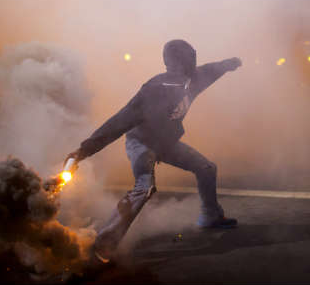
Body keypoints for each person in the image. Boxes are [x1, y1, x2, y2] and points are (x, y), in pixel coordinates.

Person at [65, 39, 242, 262]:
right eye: (184, 60)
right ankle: (104, 242)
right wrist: (83, 151)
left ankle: (211, 216)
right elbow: (118, 122)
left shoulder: (194, 78)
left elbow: (212, 70)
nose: (188, 64)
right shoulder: (154, 89)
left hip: (166, 143)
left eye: (190, 58)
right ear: (171, 63)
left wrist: (230, 63)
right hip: (142, 144)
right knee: (145, 187)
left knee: (206, 168)